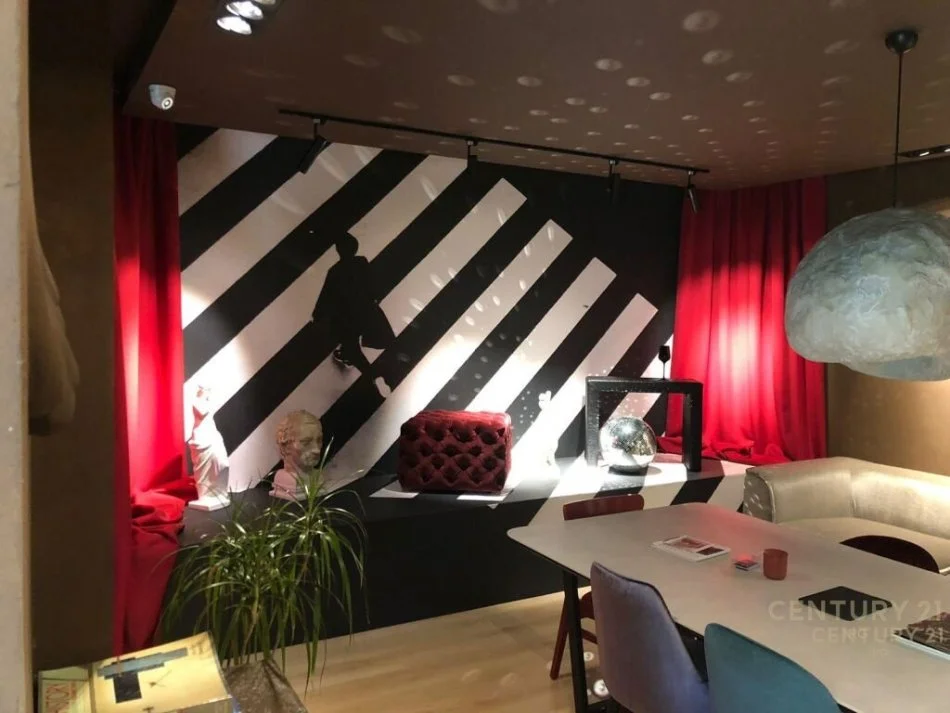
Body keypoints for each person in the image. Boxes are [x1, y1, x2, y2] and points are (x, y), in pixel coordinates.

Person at [312, 233, 394, 397]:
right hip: (366, 310)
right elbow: (373, 283)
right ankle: (379, 372)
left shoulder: (335, 271)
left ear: (338, 250)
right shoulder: (361, 262)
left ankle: (372, 374)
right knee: (375, 341)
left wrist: (318, 314)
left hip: (347, 316)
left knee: (352, 346)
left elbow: (326, 294)